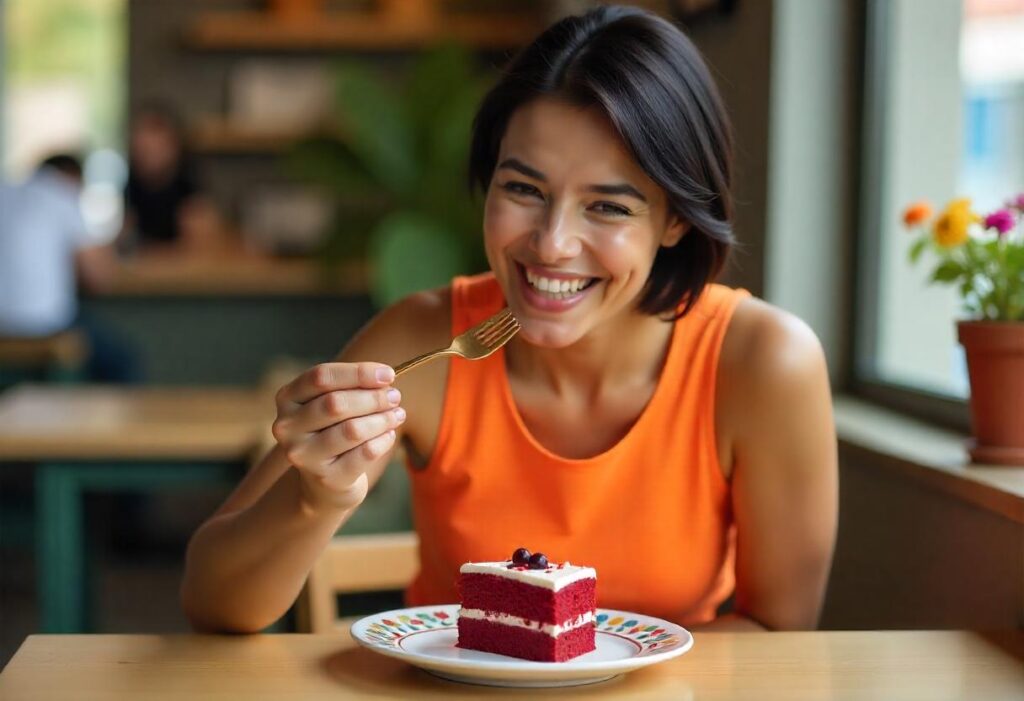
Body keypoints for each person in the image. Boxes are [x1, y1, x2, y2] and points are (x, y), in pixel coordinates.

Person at [181, 5, 838, 633]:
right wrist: (314, 499)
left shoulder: (761, 364)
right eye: (523, 189)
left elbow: (779, 631)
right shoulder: (422, 341)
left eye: (606, 207)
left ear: (674, 219)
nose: (551, 243)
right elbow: (212, 601)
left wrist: (587, 663)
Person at [123, 102, 226, 256]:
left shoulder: (188, 186)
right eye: (142, 148)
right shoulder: (131, 185)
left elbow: (203, 245)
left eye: (155, 149)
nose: (146, 156)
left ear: (174, 147)